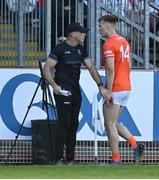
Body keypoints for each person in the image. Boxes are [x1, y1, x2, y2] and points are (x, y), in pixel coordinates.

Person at [43, 22, 110, 165]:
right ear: (74, 34)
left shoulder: (81, 49)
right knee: (63, 124)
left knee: (73, 124)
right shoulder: (59, 49)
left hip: (75, 92)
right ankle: (58, 158)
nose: (84, 34)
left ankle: (70, 159)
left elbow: (91, 67)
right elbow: (47, 68)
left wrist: (100, 85)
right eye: (82, 32)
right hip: (62, 92)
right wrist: (54, 85)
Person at [98, 15, 145, 165]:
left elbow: (110, 70)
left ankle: (116, 159)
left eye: (101, 26)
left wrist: (108, 92)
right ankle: (135, 144)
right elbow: (128, 66)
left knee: (109, 124)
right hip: (126, 87)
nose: (99, 29)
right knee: (112, 122)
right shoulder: (124, 42)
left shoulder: (109, 44)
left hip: (116, 88)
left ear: (108, 26)